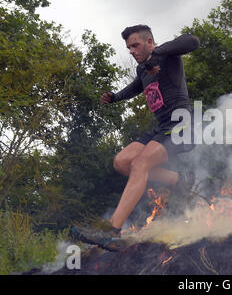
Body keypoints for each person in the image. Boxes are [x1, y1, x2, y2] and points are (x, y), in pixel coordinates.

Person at [71, 25, 200, 251]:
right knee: (122, 162)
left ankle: (111, 231)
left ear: (149, 41)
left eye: (135, 45)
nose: (131, 50)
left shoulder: (167, 56)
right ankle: (178, 179)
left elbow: (192, 40)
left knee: (141, 163)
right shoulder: (143, 70)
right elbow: (136, 86)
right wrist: (116, 97)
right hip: (162, 127)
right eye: (129, 47)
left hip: (181, 125)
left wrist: (157, 54)